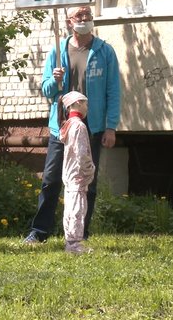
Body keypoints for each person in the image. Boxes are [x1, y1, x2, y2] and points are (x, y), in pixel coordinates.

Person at [24, 6, 121, 244]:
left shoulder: (105, 52)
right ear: (69, 22)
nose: (85, 19)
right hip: (63, 126)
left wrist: (111, 127)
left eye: (88, 15)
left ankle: (81, 233)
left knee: (87, 181)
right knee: (51, 179)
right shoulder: (58, 51)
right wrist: (54, 80)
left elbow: (113, 91)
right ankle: (39, 232)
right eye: (80, 15)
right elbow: (47, 91)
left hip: (92, 127)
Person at [59, 91, 95, 254]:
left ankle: (70, 242)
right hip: (78, 175)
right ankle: (74, 244)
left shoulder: (68, 124)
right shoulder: (79, 126)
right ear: (77, 103)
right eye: (85, 103)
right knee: (77, 210)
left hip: (69, 174)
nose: (87, 107)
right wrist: (90, 169)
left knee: (70, 208)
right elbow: (82, 153)